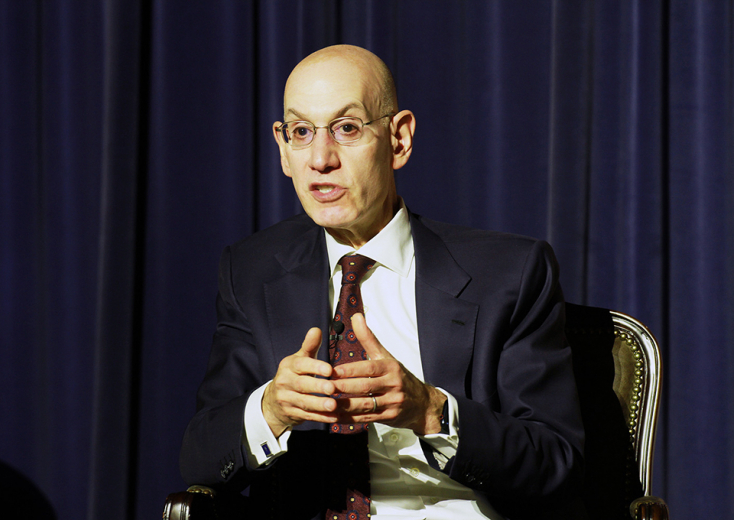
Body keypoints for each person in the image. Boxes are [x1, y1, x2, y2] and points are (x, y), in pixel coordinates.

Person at [180, 44, 584, 520]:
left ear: (399, 139)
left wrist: (432, 412)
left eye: (347, 128)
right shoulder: (251, 270)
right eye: (302, 132)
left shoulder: (509, 272)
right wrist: (269, 409)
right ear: (283, 150)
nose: (321, 158)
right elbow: (200, 459)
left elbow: (557, 463)